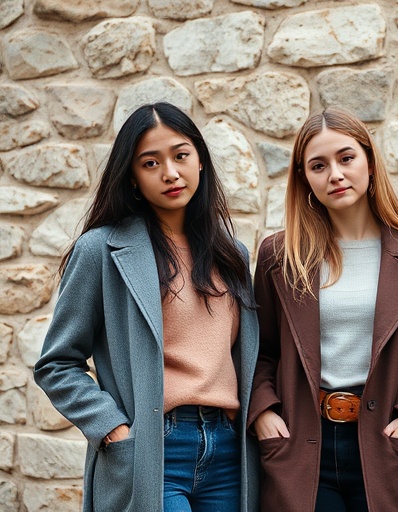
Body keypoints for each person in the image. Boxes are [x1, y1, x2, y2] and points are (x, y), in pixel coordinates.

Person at [33, 102, 259, 512]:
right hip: (154, 448)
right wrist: (113, 428)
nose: (170, 173)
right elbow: (57, 363)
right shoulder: (102, 249)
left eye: (181, 155)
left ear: (201, 161)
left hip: (228, 451)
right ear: (133, 178)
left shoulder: (233, 255)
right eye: (150, 163)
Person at [249, 107, 398, 511]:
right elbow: (258, 350)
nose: (335, 174)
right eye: (318, 166)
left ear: (370, 163)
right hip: (301, 446)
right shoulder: (279, 257)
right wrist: (264, 413)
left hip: (387, 447)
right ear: (304, 179)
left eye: (346, 158)